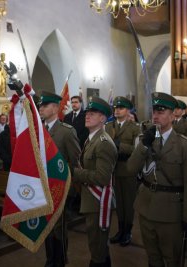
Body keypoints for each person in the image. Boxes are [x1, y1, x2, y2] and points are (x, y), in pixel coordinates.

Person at [126, 92, 187, 267]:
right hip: (146, 208)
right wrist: (144, 145)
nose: (156, 116)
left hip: (170, 213)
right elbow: (131, 168)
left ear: (173, 114)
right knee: (153, 258)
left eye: (161, 111)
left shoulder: (185, 145)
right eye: (154, 111)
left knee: (172, 259)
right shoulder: (146, 140)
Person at [72, 96, 117, 266]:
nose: (87, 115)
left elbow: (102, 178)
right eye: (87, 113)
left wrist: (75, 173)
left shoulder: (104, 142)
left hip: (98, 201)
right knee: (97, 246)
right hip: (91, 200)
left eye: (93, 113)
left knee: (97, 247)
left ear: (103, 118)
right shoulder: (91, 139)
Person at [38, 91, 81, 267]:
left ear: (55, 108)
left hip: (60, 188)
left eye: (44, 105)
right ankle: (50, 259)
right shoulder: (39, 130)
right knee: (46, 226)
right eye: (40, 105)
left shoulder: (66, 132)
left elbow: (75, 161)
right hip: (43, 188)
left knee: (58, 228)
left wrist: (69, 188)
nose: (40, 108)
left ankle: (60, 260)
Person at [105, 96, 140, 247]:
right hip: (114, 169)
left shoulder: (134, 128)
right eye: (116, 108)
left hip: (128, 169)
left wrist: (121, 146)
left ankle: (127, 231)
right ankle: (120, 230)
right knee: (119, 203)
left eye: (121, 108)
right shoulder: (108, 126)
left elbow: (138, 150)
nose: (117, 110)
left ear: (128, 111)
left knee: (128, 203)